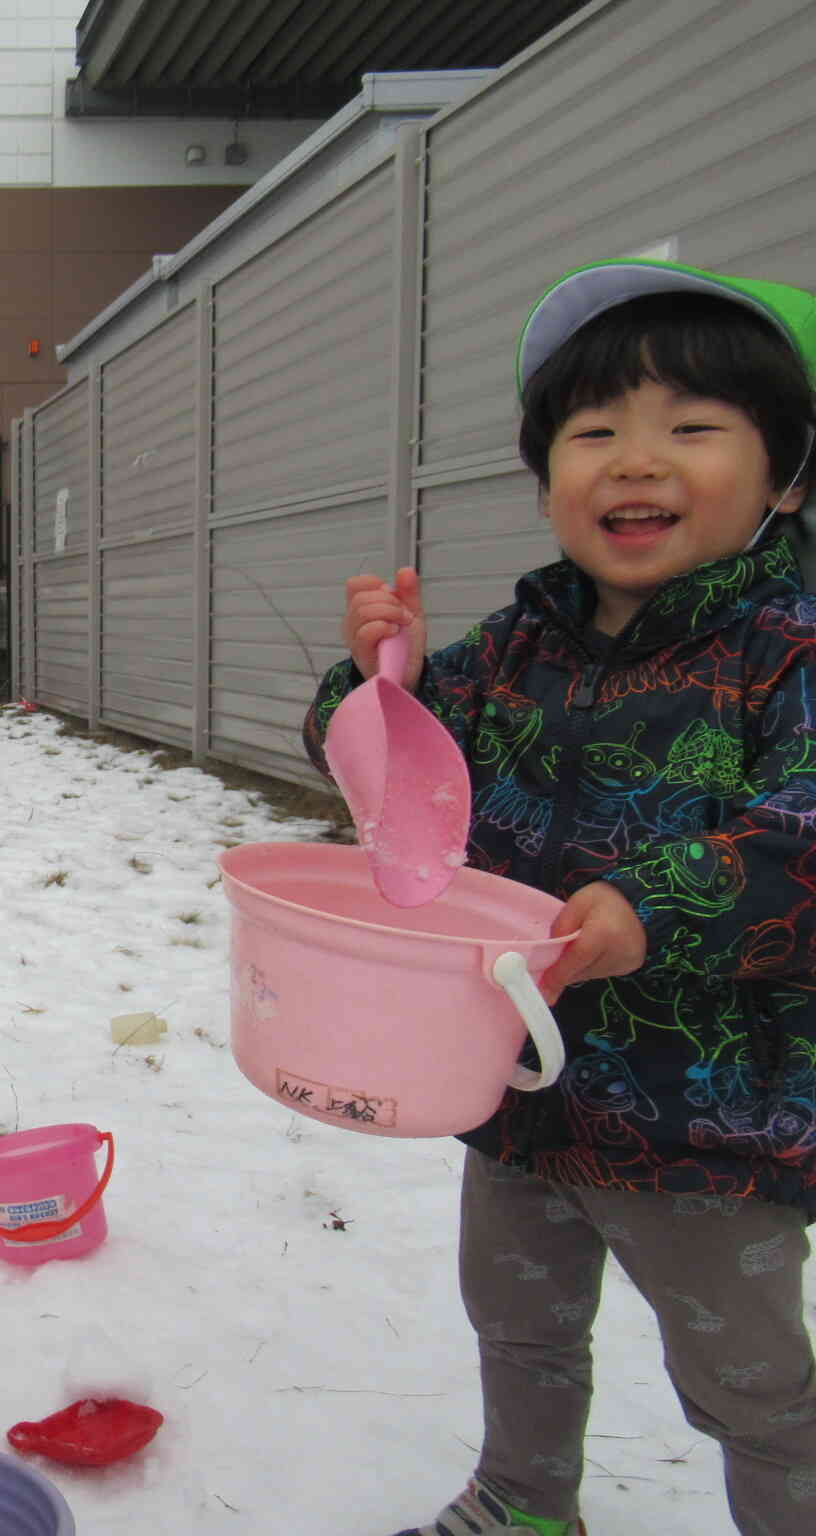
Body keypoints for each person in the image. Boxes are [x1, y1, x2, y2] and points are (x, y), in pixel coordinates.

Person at [306, 259, 816, 1536]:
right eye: (592, 434)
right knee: (518, 1329)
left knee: (748, 1384)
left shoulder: (788, 649)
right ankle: (523, 1504)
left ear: (786, 477)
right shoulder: (518, 645)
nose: (633, 463)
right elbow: (398, 786)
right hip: (517, 1087)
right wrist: (379, 684)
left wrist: (654, 904)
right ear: (547, 482)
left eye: (690, 430)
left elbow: (803, 839)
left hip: (702, 1127)